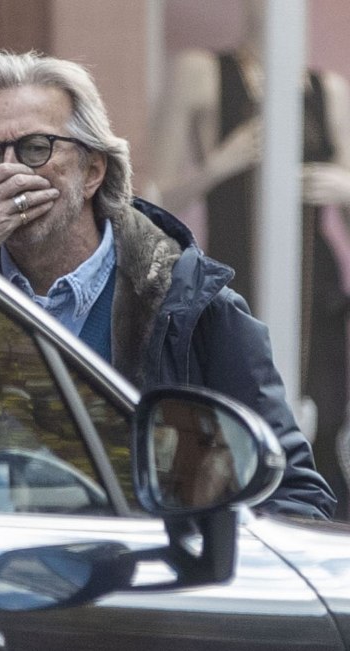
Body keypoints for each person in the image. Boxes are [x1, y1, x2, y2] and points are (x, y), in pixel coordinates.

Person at [0, 49, 336, 520]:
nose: (9, 172)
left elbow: (295, 499)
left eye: (35, 148)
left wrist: (198, 543)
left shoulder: (196, 309)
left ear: (92, 171)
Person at [150, 0, 350, 518]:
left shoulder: (328, 90)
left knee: (321, 429)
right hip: (232, 283)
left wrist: (345, 188)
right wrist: (219, 165)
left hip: (315, 295)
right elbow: (150, 201)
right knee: (228, 424)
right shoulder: (200, 72)